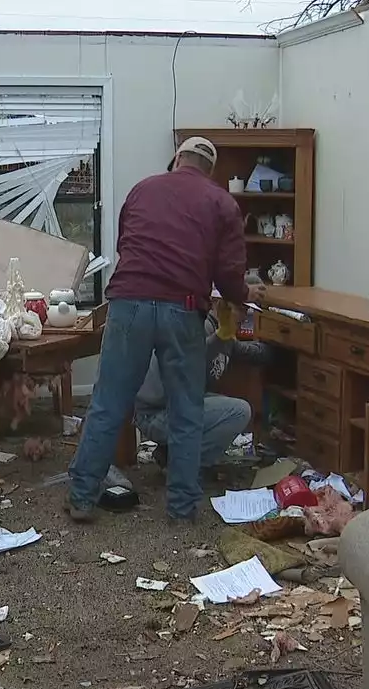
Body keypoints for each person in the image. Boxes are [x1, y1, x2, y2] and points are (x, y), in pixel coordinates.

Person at [65, 137, 264, 521]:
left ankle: (82, 497)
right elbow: (229, 273)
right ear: (211, 171)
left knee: (107, 403)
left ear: (177, 159)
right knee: (187, 411)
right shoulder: (222, 202)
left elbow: (128, 244)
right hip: (183, 310)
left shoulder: (142, 189)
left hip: (128, 303)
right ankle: (181, 508)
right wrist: (244, 292)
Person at [135, 301, 266, 479]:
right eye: (240, 309)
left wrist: (279, 348)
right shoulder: (201, 327)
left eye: (247, 311)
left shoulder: (223, 331)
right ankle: (185, 468)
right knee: (239, 411)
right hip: (156, 413)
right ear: (221, 305)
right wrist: (218, 338)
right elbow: (188, 362)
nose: (244, 316)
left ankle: (170, 454)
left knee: (227, 406)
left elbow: (248, 352)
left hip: (173, 407)